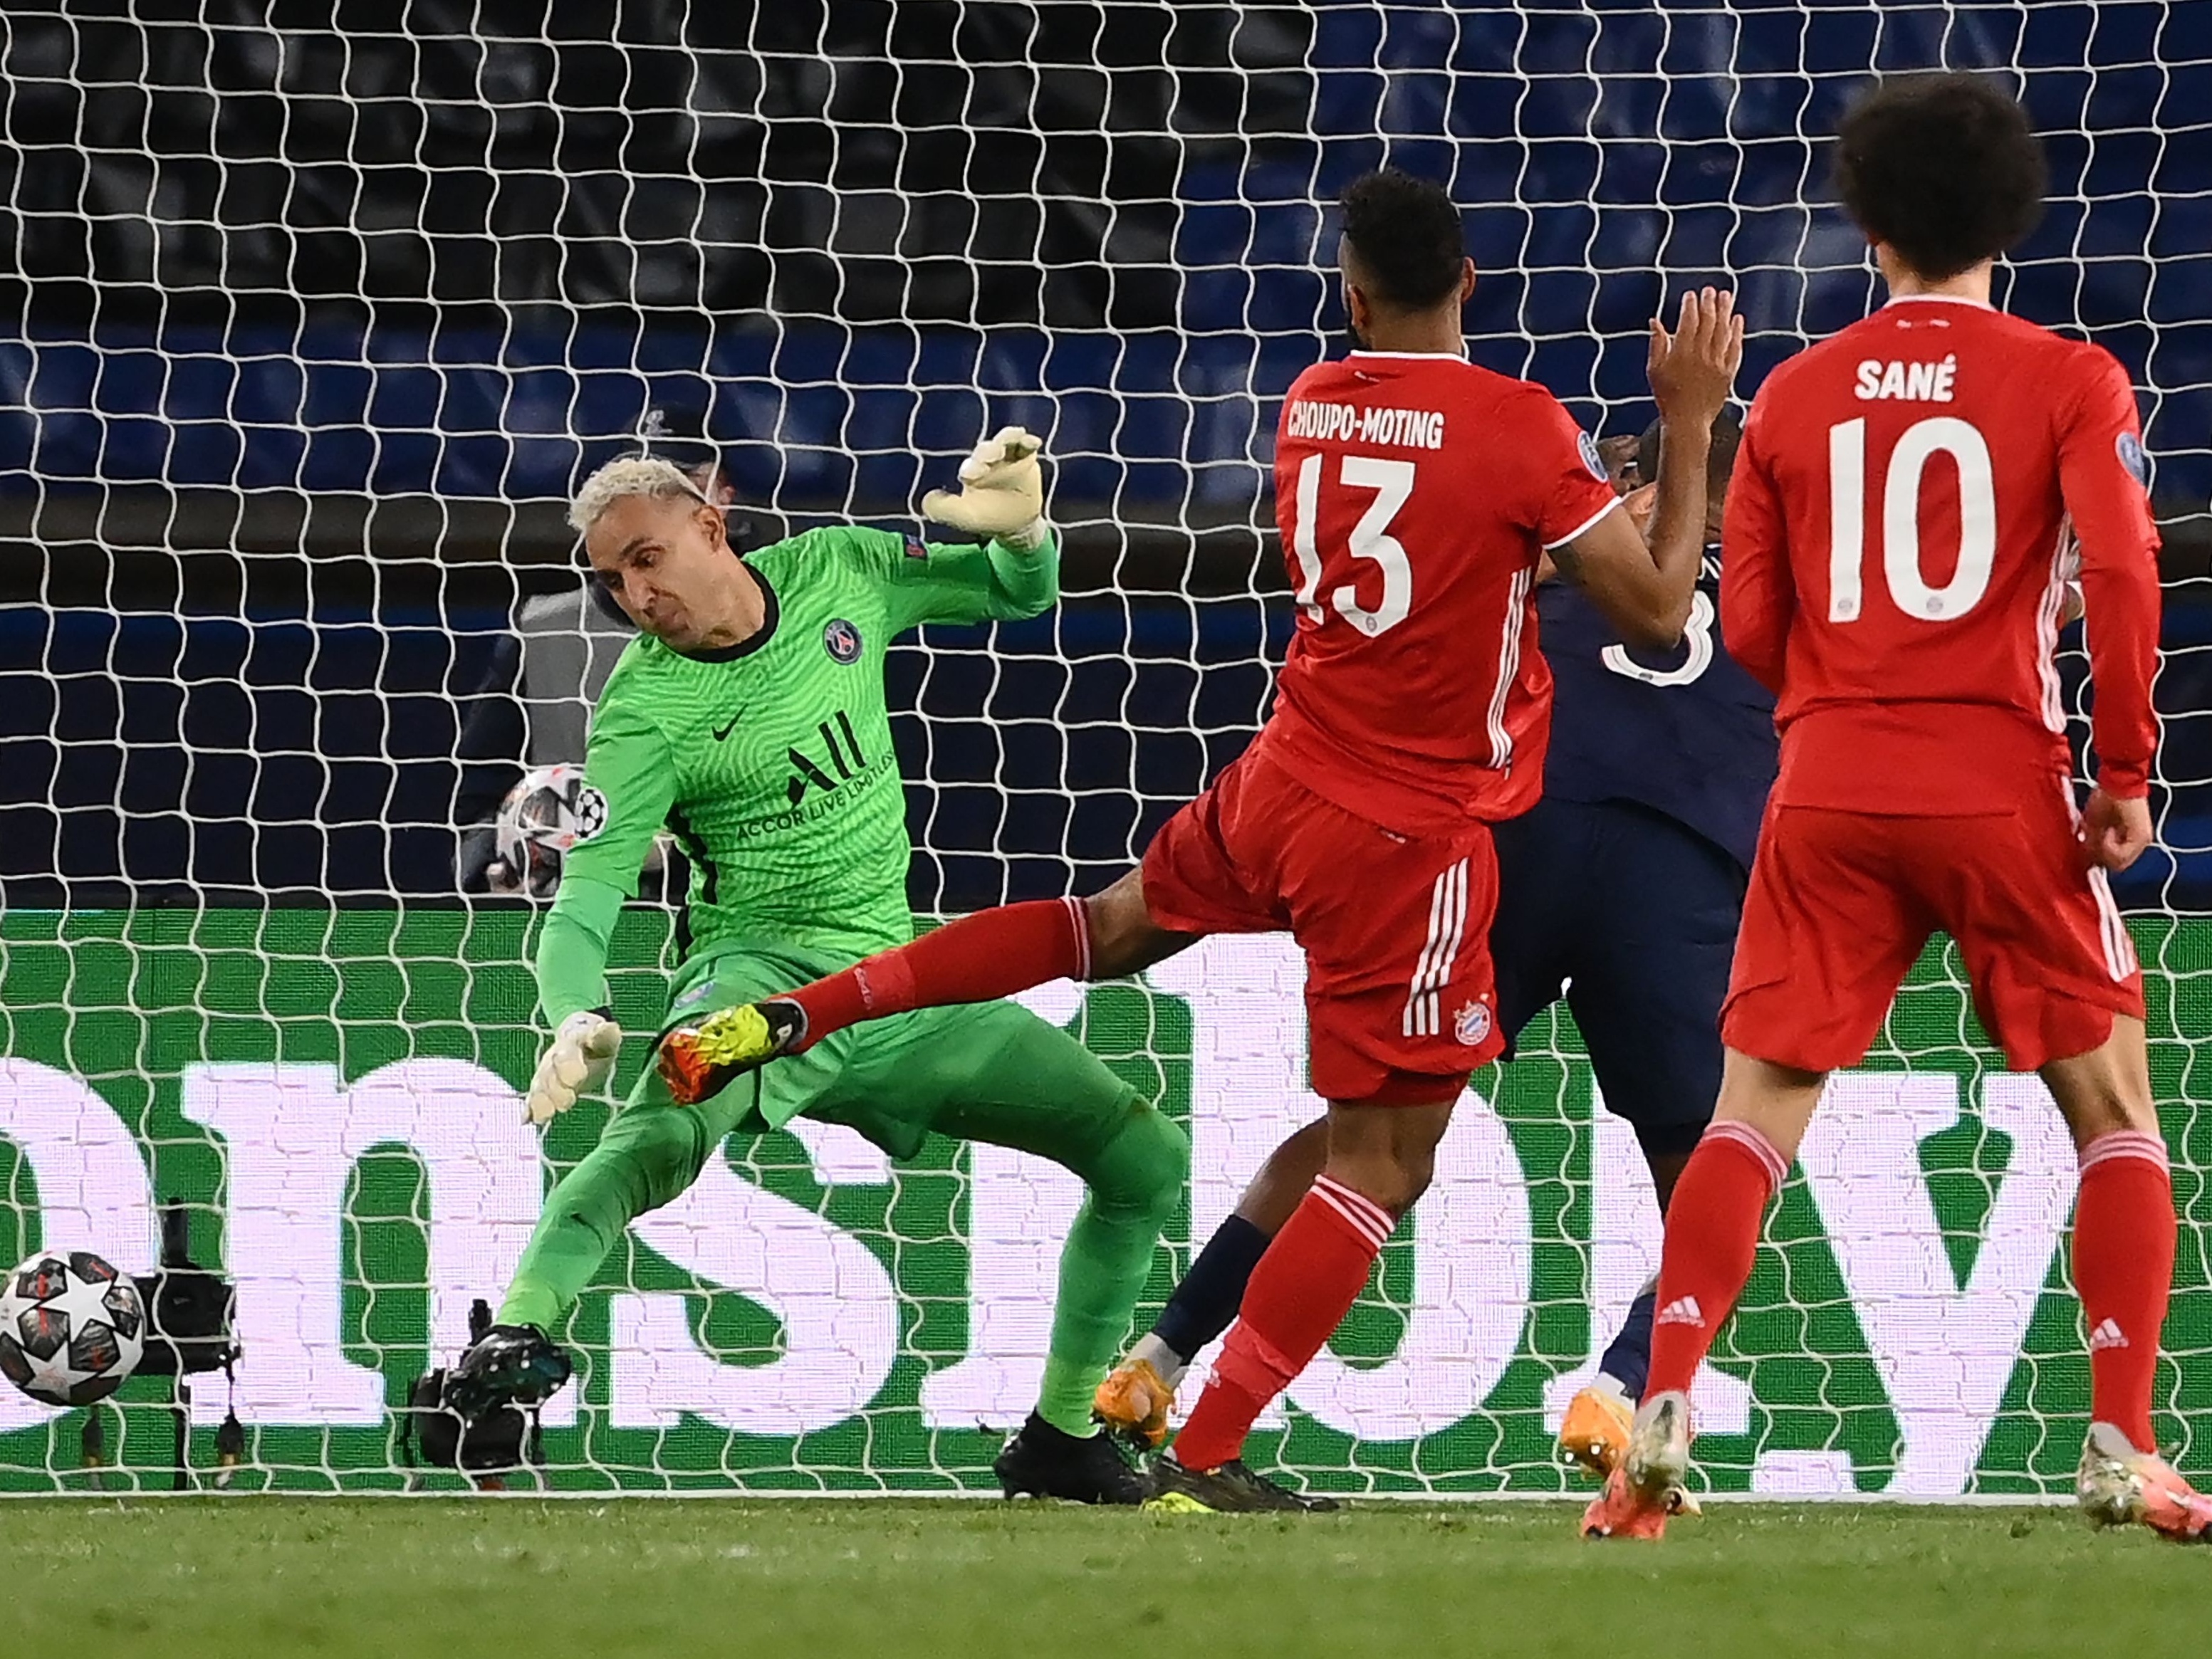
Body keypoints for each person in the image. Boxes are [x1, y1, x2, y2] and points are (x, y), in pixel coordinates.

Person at [665, 168, 1743, 1510]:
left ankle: (800, 1011)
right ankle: (1214, 1445)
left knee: (1102, 930)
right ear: (1472, 282)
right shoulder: (1522, 428)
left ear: (1348, 296)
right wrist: (1687, 427)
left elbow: (1454, 548)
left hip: (1280, 776)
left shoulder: (1310, 407)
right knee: (1384, 1161)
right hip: (1406, 836)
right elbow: (1648, 612)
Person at [1582, 72, 2208, 1542]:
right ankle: (2119, 1441)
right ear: (2012, 217)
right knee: (2111, 1110)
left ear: (1862, 222)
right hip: (1999, 786)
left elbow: (1740, 626)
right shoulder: (2071, 379)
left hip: (1829, 788)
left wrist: (1833, 711)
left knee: (1751, 1116)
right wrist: (2119, 776)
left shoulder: (1792, 393)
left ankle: (1658, 1412)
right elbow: (2121, 574)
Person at [447, 430, 1190, 1506]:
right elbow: (585, 904)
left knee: (1144, 1159)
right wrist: (573, 1015)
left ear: (709, 525)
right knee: (654, 1138)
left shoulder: (839, 570)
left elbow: (1017, 593)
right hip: (760, 993)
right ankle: (516, 1336)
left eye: (645, 559)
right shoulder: (643, 716)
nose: (632, 594)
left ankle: (1062, 1438)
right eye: (611, 579)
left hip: (904, 986)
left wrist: (1029, 526)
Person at [1083, 408, 1775, 1503]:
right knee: (1708, 1171)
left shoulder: (1582, 541)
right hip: (1675, 866)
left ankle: (1160, 1359)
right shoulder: (1795, 571)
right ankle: (1623, 1386)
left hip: (1512, 836)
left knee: (1371, 1140)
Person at [454, 397, 753, 896]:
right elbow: (473, 811)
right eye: (638, 485)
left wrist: (661, 856)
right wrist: (510, 849)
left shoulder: (783, 615)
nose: (653, 504)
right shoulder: (543, 629)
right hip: (566, 922)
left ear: (722, 498)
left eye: (679, 483)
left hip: (735, 923)